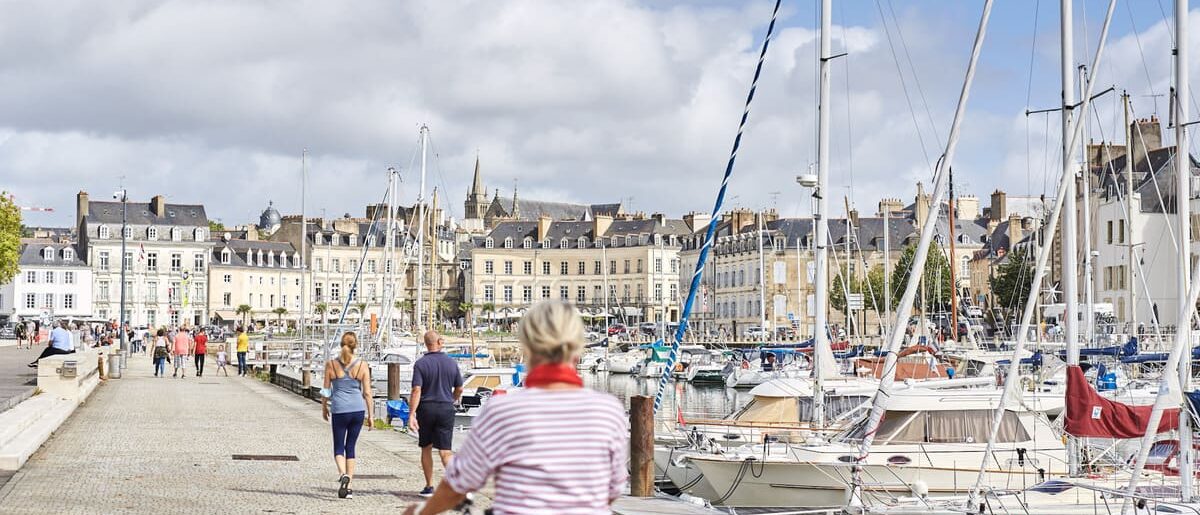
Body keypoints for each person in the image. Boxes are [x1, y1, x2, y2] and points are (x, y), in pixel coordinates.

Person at [404, 300, 627, 515]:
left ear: (528, 347)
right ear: (578, 348)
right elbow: (613, 488)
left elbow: (461, 481)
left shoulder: (503, 410)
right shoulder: (609, 412)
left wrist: (423, 511)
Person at [408, 330, 463, 498]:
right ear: (439, 342)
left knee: (426, 448)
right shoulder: (452, 363)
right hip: (446, 408)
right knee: (445, 451)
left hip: (427, 408)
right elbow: (459, 388)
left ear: (426, 344)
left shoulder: (420, 364)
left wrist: (411, 414)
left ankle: (429, 486)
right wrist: (451, 400)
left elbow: (416, 390)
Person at [322, 331, 373, 499]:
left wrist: (324, 407)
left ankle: (343, 473)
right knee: (350, 447)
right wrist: (371, 415)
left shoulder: (331, 364)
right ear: (355, 345)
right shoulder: (362, 365)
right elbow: (367, 393)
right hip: (357, 410)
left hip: (339, 409)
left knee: (338, 447)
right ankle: (349, 486)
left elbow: (326, 389)